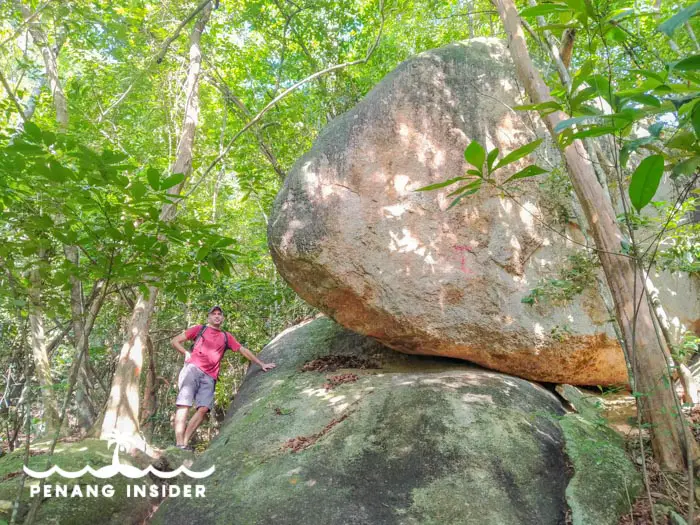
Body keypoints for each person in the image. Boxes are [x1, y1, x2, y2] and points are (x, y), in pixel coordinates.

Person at [171, 305, 276, 450]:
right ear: (209, 317)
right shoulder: (199, 329)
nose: (216, 316)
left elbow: (242, 350)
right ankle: (179, 443)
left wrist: (261, 363)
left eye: (219, 314)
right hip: (193, 369)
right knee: (184, 405)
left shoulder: (226, 336)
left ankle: (184, 443)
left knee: (203, 410)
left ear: (223, 318)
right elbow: (175, 340)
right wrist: (185, 353)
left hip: (210, 376)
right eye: (213, 314)